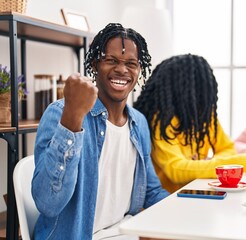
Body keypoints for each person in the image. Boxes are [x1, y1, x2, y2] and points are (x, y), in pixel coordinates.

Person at [31, 23, 169, 239]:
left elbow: (151, 192)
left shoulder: (139, 123)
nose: (122, 70)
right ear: (95, 64)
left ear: (139, 70)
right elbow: (48, 203)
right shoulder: (60, 113)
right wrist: (72, 119)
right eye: (111, 60)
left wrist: (188, 208)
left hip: (124, 234)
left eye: (131, 63)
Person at [133, 54, 246, 193]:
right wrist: (242, 163)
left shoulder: (204, 116)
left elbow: (227, 148)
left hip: (198, 194)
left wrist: (204, 164)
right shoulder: (161, 121)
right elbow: (176, 169)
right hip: (167, 201)